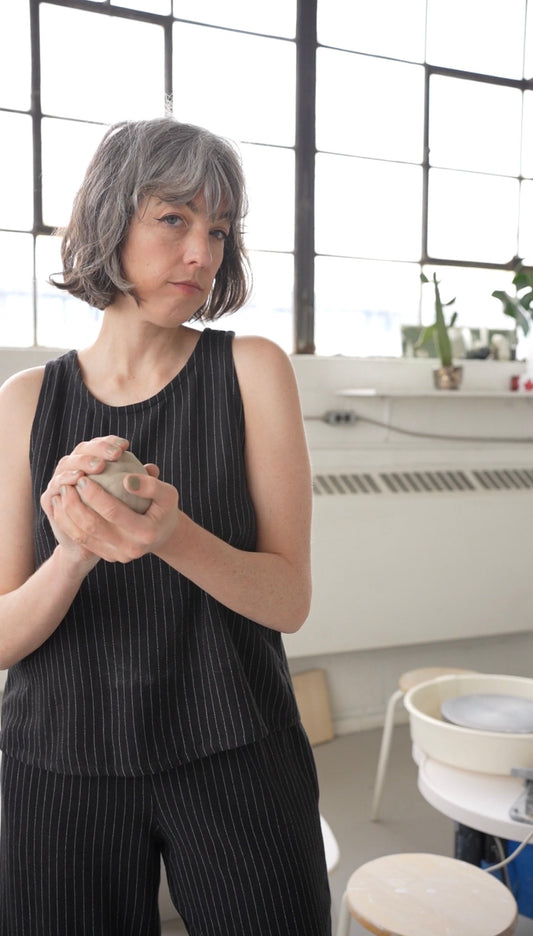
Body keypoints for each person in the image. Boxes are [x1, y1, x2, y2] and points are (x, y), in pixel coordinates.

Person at [0, 117, 331, 936]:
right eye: (174, 219)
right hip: (59, 759)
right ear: (112, 218)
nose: (203, 253)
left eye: (218, 229)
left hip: (234, 742)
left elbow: (287, 599)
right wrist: (74, 552)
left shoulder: (250, 370)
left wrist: (170, 535)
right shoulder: (24, 405)